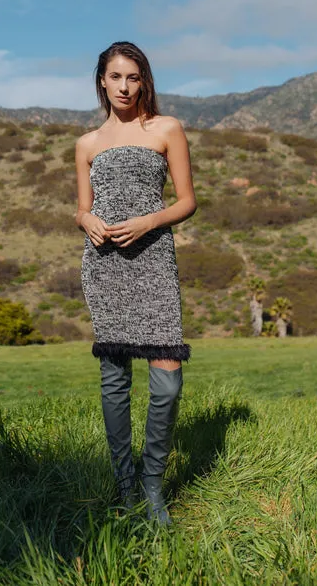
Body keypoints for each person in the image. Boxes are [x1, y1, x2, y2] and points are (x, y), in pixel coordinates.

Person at [75, 41, 197, 525]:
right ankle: (125, 485)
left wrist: (148, 222)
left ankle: (153, 486)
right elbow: (83, 206)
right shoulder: (86, 143)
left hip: (154, 259)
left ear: (144, 80)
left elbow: (187, 201)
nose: (124, 87)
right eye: (115, 77)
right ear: (101, 81)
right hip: (104, 263)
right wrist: (86, 220)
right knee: (114, 377)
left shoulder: (166, 129)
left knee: (167, 378)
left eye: (133, 77)